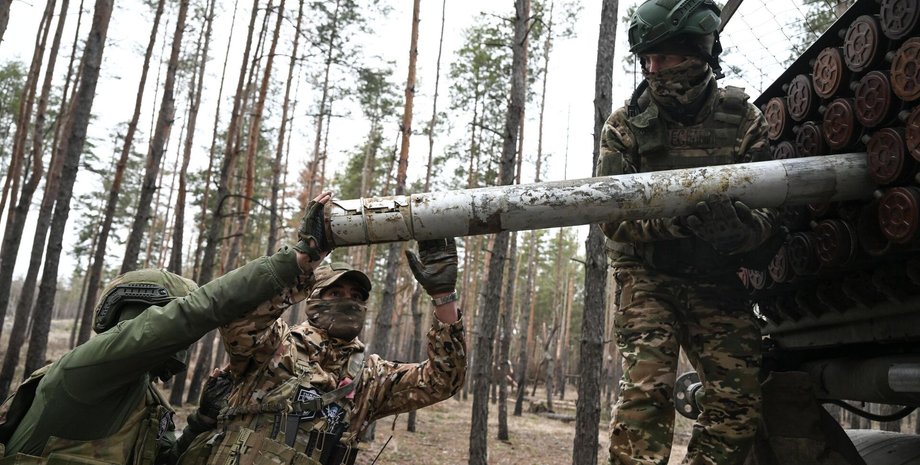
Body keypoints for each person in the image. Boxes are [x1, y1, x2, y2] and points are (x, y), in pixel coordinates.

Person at [0, 193, 334, 465]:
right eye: (165, 317)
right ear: (140, 314)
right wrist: (295, 261)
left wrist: (201, 421)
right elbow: (194, 313)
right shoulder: (83, 372)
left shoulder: (146, 400)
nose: (180, 340)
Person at [596, 1, 778, 464]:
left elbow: (772, 216)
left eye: (666, 58)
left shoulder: (743, 121)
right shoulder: (624, 126)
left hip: (716, 278)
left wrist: (740, 235)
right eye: (647, 61)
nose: (655, 71)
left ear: (699, 53)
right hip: (647, 277)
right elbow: (612, 217)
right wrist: (677, 221)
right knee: (646, 393)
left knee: (738, 402)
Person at [177, 236, 466, 465]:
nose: (348, 302)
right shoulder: (275, 344)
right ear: (313, 301)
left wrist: (443, 298)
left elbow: (441, 380)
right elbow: (238, 320)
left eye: (356, 297)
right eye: (335, 294)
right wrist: (301, 265)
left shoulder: (370, 375)